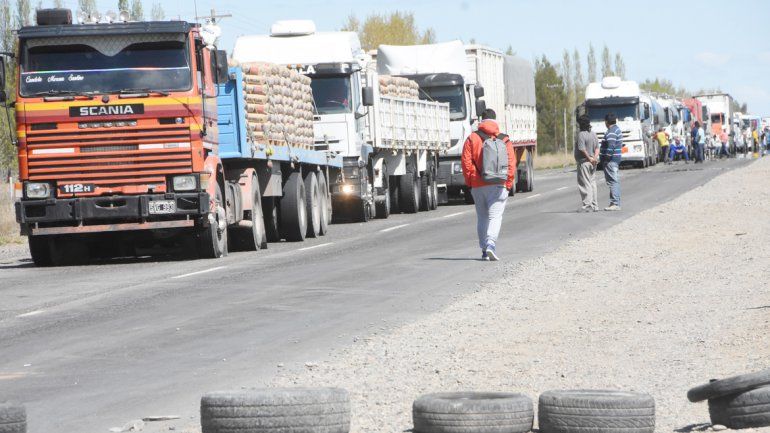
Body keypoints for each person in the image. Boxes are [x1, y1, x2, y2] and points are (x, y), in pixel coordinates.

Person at [461, 108, 515, 261]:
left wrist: (471, 182)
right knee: (495, 216)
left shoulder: (472, 138)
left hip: (478, 185)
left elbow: (466, 162)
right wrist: (508, 183)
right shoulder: (504, 139)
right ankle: (491, 244)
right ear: (495, 120)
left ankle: (484, 249)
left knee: (482, 217)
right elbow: (511, 163)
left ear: (481, 120)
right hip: (499, 183)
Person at [574, 114, 599, 212]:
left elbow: (582, 149)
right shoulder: (593, 134)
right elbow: (597, 148)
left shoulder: (581, 134)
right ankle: (594, 205)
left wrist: (589, 158)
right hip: (593, 162)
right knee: (592, 183)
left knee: (585, 183)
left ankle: (587, 204)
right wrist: (594, 158)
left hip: (584, 162)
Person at [600, 113, 623, 211]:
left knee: (613, 181)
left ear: (606, 122)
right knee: (614, 181)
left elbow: (611, 146)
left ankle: (615, 203)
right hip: (614, 160)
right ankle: (614, 202)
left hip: (611, 160)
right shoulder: (616, 130)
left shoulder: (611, 132)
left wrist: (606, 158)